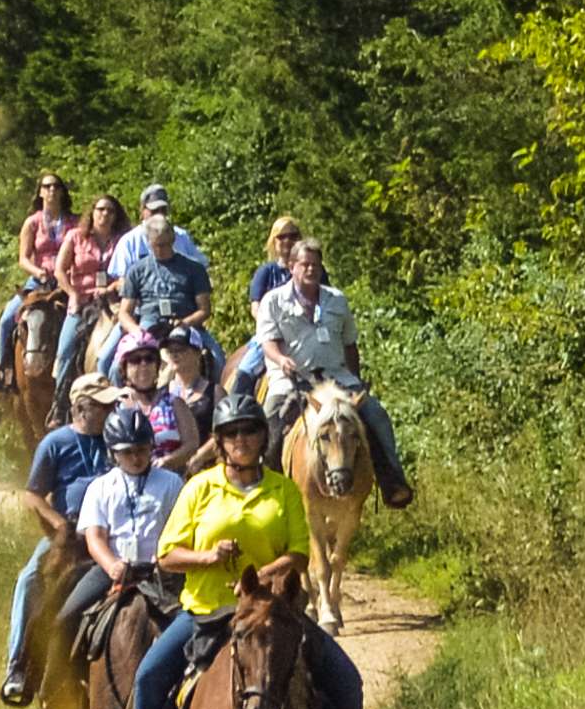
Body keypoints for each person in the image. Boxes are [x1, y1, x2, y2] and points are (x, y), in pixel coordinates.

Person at [106, 394, 388, 709]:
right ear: (220, 441)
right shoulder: (199, 489)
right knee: (148, 678)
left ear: (262, 437)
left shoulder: (284, 490)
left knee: (346, 679)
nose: (242, 439)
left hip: (273, 613)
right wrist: (210, 559)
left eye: (250, 431)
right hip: (207, 611)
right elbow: (167, 555)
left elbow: (298, 554)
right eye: (232, 433)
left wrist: (259, 579)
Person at [17, 406, 187, 709]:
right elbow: (94, 537)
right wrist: (111, 565)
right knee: (64, 620)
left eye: (142, 450)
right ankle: (51, 708)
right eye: (128, 452)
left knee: (199, 625)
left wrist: (164, 561)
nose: (137, 458)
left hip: (163, 576)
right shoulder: (100, 487)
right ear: (113, 453)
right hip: (111, 570)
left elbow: (182, 528)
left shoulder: (172, 484)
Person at [254, 239, 414, 509]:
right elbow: (268, 343)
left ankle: (391, 480)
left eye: (316, 265)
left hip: (337, 379)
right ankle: (263, 491)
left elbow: (350, 343)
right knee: (271, 422)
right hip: (293, 379)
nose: (311, 270)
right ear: (292, 266)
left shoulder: (336, 300)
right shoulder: (274, 300)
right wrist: (282, 360)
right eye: (305, 264)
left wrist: (357, 379)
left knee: (376, 416)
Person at [0, 372, 122, 709]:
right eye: (103, 405)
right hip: (69, 535)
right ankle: (18, 668)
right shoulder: (55, 444)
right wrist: (57, 525)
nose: (111, 409)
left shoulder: (116, 440)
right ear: (82, 408)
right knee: (29, 581)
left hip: (113, 537)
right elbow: (33, 495)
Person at [95, 217, 227, 382]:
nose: (162, 249)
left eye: (166, 244)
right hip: (148, 325)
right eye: (158, 245)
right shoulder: (137, 270)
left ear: (172, 239)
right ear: (149, 242)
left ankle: (216, 402)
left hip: (186, 324)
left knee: (219, 360)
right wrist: (136, 331)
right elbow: (124, 312)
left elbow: (204, 309)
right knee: (115, 368)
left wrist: (185, 322)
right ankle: (120, 404)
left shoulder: (194, 269)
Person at [0, 174, 77, 389]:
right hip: (38, 282)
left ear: (62, 192)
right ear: (40, 192)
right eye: (47, 187)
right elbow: (23, 257)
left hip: (66, 283)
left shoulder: (74, 222)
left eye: (56, 186)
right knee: (7, 319)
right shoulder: (32, 223)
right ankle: (6, 371)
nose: (51, 191)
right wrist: (38, 272)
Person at [48, 194, 129, 423]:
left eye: (110, 211)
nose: (105, 214)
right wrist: (72, 293)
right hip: (81, 302)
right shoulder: (76, 237)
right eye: (100, 209)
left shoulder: (121, 240)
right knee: (65, 351)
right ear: (92, 213)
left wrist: (112, 287)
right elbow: (60, 270)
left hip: (112, 302)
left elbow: (127, 274)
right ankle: (60, 404)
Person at [225, 216, 320, 396]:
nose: (288, 241)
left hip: (310, 334)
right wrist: (275, 327)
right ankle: (237, 406)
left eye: (293, 235)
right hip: (271, 336)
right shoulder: (266, 272)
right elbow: (256, 308)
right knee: (246, 370)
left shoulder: (314, 271)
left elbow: (325, 302)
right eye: (281, 236)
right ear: (273, 241)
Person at [112, 331, 200, 471]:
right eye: (135, 360)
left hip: (170, 481)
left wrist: (167, 461)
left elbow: (192, 443)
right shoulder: (117, 406)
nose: (143, 365)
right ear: (124, 368)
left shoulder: (175, 403)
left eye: (149, 359)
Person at [106, 183, 208, 280]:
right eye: (154, 211)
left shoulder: (182, 236)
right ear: (142, 211)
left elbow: (201, 267)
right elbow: (123, 280)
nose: (159, 215)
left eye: (163, 210)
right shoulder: (129, 241)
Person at [163, 325, 220, 439]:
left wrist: (194, 456)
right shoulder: (162, 393)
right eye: (170, 350)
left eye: (180, 349)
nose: (174, 355)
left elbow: (223, 434)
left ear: (197, 353)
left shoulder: (215, 392)